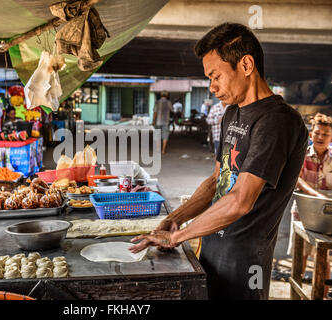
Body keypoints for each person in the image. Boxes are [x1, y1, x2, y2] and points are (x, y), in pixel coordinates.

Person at [129, 22, 308, 300]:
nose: (212, 87)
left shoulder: (278, 120)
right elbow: (216, 180)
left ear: (246, 65)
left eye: (216, 76)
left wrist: (177, 237)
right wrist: (174, 220)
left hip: (246, 261)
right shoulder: (231, 114)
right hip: (212, 244)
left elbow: (240, 200)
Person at [287, 113, 332, 295]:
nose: (321, 137)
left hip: (328, 215)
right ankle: (297, 293)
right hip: (303, 213)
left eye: (326, 134)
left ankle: (321, 294)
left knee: (324, 259)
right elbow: (296, 178)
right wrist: (314, 194)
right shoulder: (302, 153)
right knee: (302, 256)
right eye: (317, 133)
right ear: (311, 134)